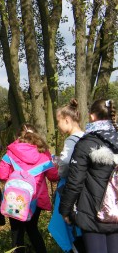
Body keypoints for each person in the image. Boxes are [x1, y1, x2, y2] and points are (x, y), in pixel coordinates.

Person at [59, 99, 118, 253]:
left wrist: (65, 210)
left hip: (92, 213)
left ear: (92, 117)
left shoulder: (87, 143)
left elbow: (74, 182)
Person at [0, 123, 59, 253]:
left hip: (15, 198)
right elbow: (53, 176)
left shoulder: (11, 152)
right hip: (36, 200)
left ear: (19, 136)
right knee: (32, 229)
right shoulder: (44, 154)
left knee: (16, 232)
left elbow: (1, 174)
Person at [48, 99, 86, 252]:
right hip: (85, 188)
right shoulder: (86, 136)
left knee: (66, 226)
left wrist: (58, 170)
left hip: (70, 187)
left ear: (67, 120)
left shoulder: (71, 140)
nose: (57, 125)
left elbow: (65, 164)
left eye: (58, 122)